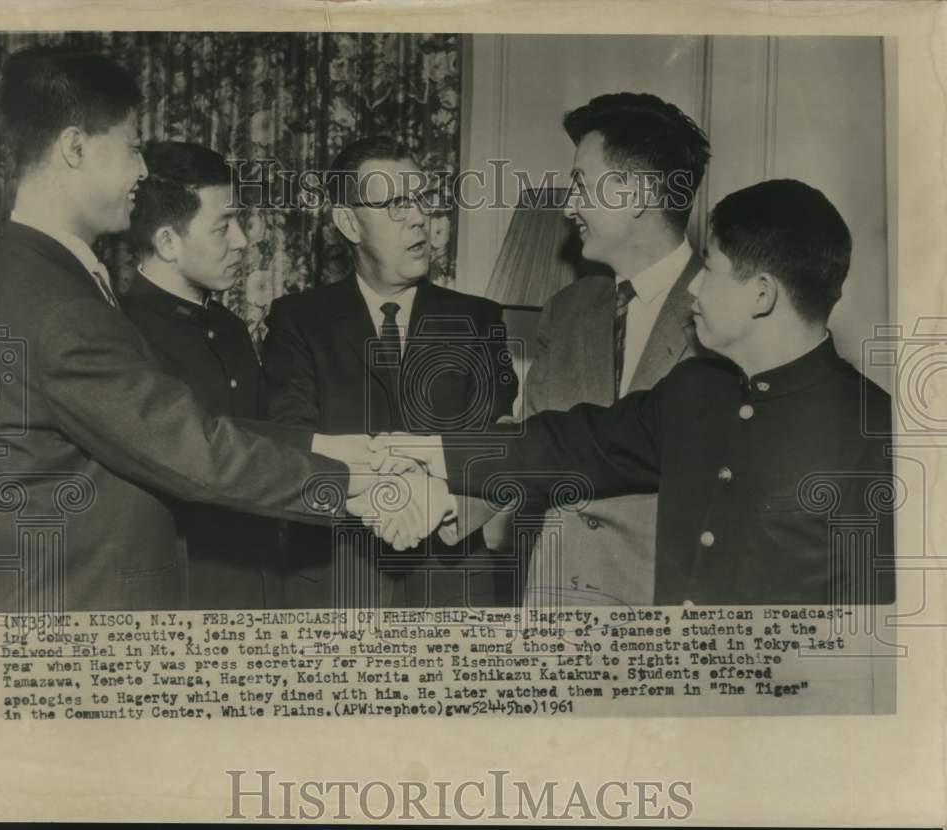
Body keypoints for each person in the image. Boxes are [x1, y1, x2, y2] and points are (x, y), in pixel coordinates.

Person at [365, 179, 896, 606]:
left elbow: (873, 630)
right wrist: (432, 451)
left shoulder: (876, 430)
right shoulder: (696, 389)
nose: (693, 286)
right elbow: (572, 443)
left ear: (762, 295)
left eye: (710, 270)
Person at [0, 47, 354, 613]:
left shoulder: (36, 272)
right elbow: (189, 447)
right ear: (75, 148)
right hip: (84, 612)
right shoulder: (59, 305)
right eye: (132, 147)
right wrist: (356, 485)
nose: (143, 171)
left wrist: (334, 452)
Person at [261, 135, 518, 608]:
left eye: (421, 199)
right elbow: (292, 438)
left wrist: (431, 494)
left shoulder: (479, 318)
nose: (418, 217)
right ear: (348, 222)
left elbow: (496, 436)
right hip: (335, 579)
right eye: (396, 205)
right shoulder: (297, 319)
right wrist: (380, 497)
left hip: (452, 580)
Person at [482, 92, 711, 607]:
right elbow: (528, 451)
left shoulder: (727, 312)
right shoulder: (565, 311)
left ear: (636, 195)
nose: (568, 207)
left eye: (581, 185)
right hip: (554, 607)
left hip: (666, 618)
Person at [121, 141, 283, 609]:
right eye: (222, 226)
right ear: (168, 242)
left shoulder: (230, 328)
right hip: (181, 595)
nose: (242, 240)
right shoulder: (120, 333)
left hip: (260, 583)